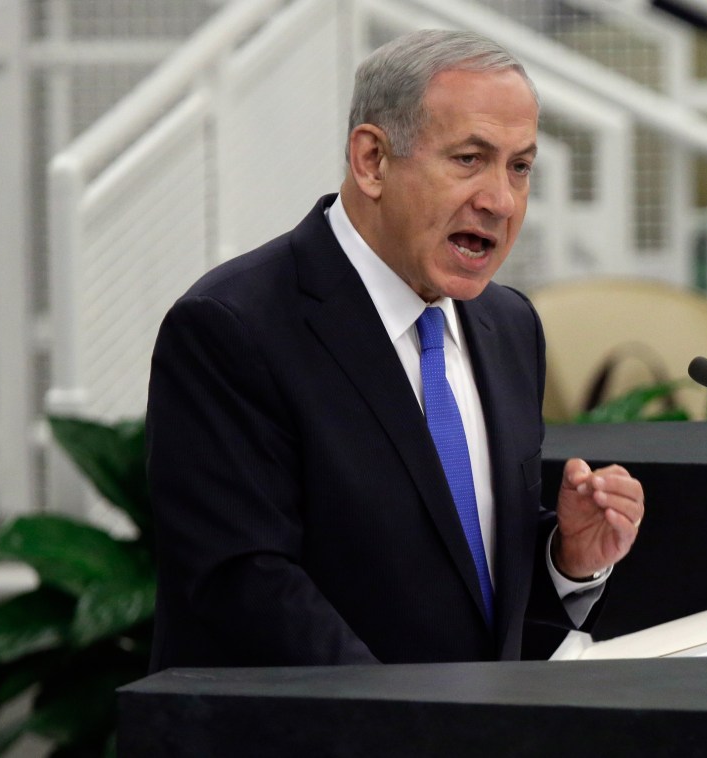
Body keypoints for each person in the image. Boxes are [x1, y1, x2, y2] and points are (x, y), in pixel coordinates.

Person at [145, 29, 645, 670]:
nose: (500, 200)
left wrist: (567, 558)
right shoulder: (231, 329)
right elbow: (244, 589)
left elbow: (467, 589)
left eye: (520, 167)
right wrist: (413, 725)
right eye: (469, 159)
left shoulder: (510, 325)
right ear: (373, 160)